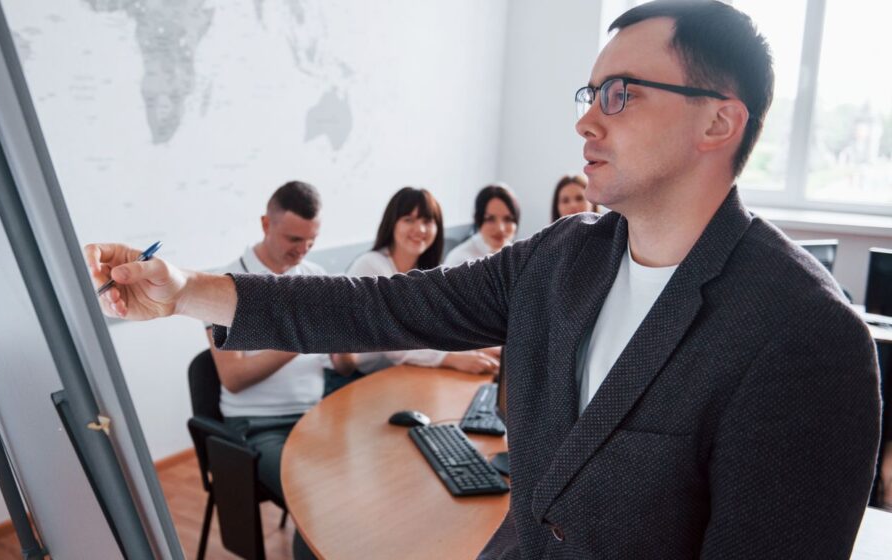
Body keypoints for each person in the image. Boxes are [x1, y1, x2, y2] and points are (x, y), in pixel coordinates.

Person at [86, 2, 881, 557]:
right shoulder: (561, 257)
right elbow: (377, 306)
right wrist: (185, 288)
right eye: (588, 93)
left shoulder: (807, 340)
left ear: (719, 120)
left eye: (620, 94)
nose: (585, 119)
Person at [202, 180, 330, 505]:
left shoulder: (316, 276)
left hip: (317, 415)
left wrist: (347, 344)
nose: (302, 250)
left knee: (368, 474)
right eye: (294, 239)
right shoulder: (224, 286)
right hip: (259, 426)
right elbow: (234, 379)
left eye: (311, 241)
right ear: (265, 224)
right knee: (315, 501)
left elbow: (339, 360)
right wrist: (303, 339)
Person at [342, 187, 499, 378]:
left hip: (391, 374)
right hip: (350, 377)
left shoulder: (425, 273)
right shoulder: (371, 266)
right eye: (409, 220)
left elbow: (437, 332)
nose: (420, 229)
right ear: (392, 223)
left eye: (427, 221)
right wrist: (453, 359)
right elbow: (393, 341)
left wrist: (475, 351)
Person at [444, 183, 521, 266]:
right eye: (490, 219)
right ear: (478, 220)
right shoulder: (460, 261)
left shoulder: (517, 256)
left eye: (508, 219)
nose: (500, 228)